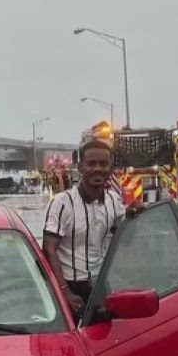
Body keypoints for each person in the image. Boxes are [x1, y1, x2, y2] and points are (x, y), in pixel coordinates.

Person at [42, 135, 145, 316]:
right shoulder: (62, 203)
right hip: (69, 286)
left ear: (110, 168)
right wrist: (64, 292)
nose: (98, 169)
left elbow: (126, 241)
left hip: (99, 285)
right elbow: (49, 250)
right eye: (92, 164)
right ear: (81, 168)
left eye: (104, 164)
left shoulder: (114, 201)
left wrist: (131, 219)